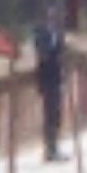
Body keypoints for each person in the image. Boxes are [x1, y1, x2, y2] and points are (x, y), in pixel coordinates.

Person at [32, 15, 67, 162]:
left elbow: (62, 51)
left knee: (57, 114)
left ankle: (55, 146)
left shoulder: (58, 33)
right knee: (50, 114)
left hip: (57, 78)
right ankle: (50, 149)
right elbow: (43, 55)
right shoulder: (41, 34)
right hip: (48, 80)